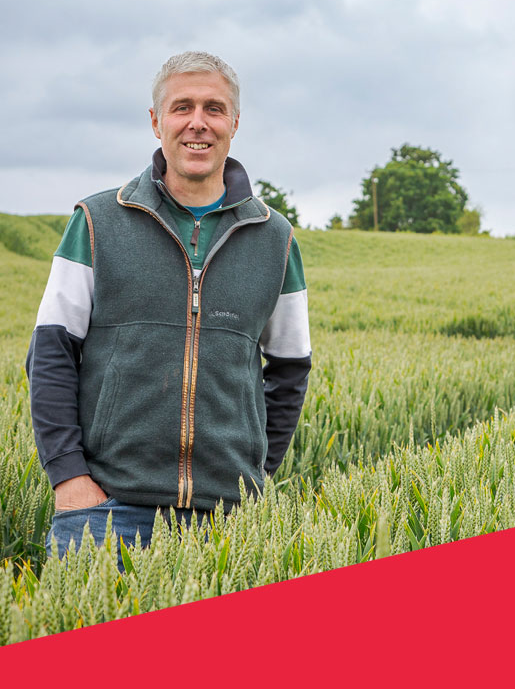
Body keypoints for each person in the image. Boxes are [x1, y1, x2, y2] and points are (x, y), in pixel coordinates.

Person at [26, 51, 312, 559]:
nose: (197, 123)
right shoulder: (96, 222)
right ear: (156, 122)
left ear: (235, 123)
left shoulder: (276, 239)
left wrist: (252, 479)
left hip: (228, 526)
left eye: (214, 109)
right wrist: (69, 478)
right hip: (105, 513)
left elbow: (290, 370)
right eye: (182, 108)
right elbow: (51, 356)